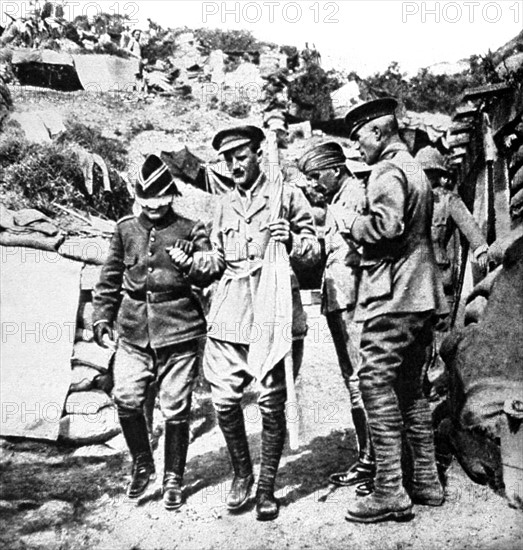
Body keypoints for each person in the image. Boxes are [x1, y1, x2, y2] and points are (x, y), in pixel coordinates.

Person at [169, 125, 319, 521]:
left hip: (274, 312)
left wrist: (295, 241)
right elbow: (214, 262)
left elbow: (314, 248)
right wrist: (192, 263)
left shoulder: (286, 195)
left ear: (258, 155)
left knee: (271, 401)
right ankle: (242, 474)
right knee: (224, 398)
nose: (235, 165)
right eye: (228, 159)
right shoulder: (220, 205)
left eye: (241, 156)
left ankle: (267, 487)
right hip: (230, 314)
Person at [335, 98, 447, 523]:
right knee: (410, 388)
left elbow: (386, 226)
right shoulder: (414, 167)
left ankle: (388, 491)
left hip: (394, 294)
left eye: (360, 137)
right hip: (421, 293)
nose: (357, 146)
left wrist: (350, 223)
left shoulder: (387, 171)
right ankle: (425, 481)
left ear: (378, 133)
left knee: (373, 382)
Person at [92, 154, 210, 511]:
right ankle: (143, 462)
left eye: (161, 199)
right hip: (133, 331)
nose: (154, 207)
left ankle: (173, 477)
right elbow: (110, 279)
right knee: (125, 396)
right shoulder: (125, 229)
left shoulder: (192, 229)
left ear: (171, 195)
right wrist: (101, 318)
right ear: (138, 198)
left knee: (175, 406)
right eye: (147, 200)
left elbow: (208, 273)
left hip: (178, 330)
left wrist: (192, 262)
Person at [297, 142, 375, 495]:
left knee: (364, 381)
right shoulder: (335, 201)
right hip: (339, 300)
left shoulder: (356, 195)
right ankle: (368, 459)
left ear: (336, 169)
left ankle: (375, 464)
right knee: (353, 381)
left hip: (357, 301)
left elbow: (372, 247)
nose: (313, 184)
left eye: (316, 177)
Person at [416, 146, 488, 297]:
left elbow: (467, 223)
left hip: (439, 277)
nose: (425, 176)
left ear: (437, 174)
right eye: (422, 172)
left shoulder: (447, 200)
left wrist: (480, 249)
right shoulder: (411, 201)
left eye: (429, 172)